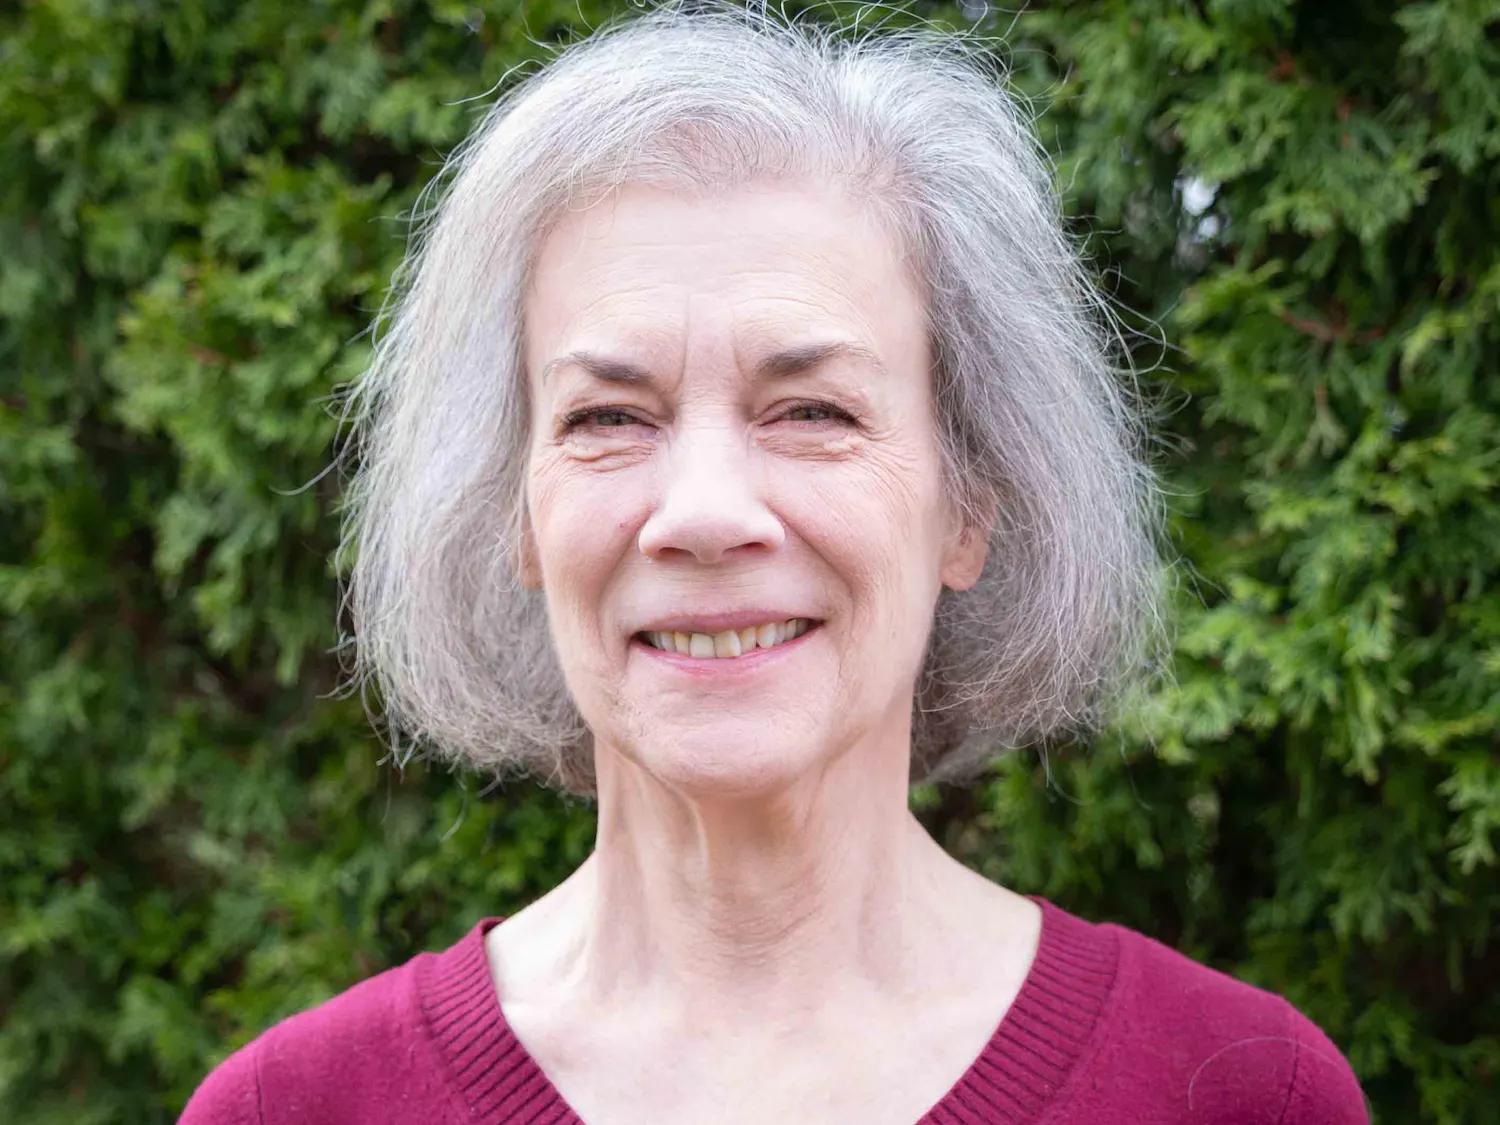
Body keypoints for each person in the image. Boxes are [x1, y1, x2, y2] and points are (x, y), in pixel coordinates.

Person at [179, 4, 1369, 1122]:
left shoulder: (1238, 1093)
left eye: (812, 411)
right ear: (516, 517)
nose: (705, 513)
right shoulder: (295, 1109)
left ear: (969, 503)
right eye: (609, 418)